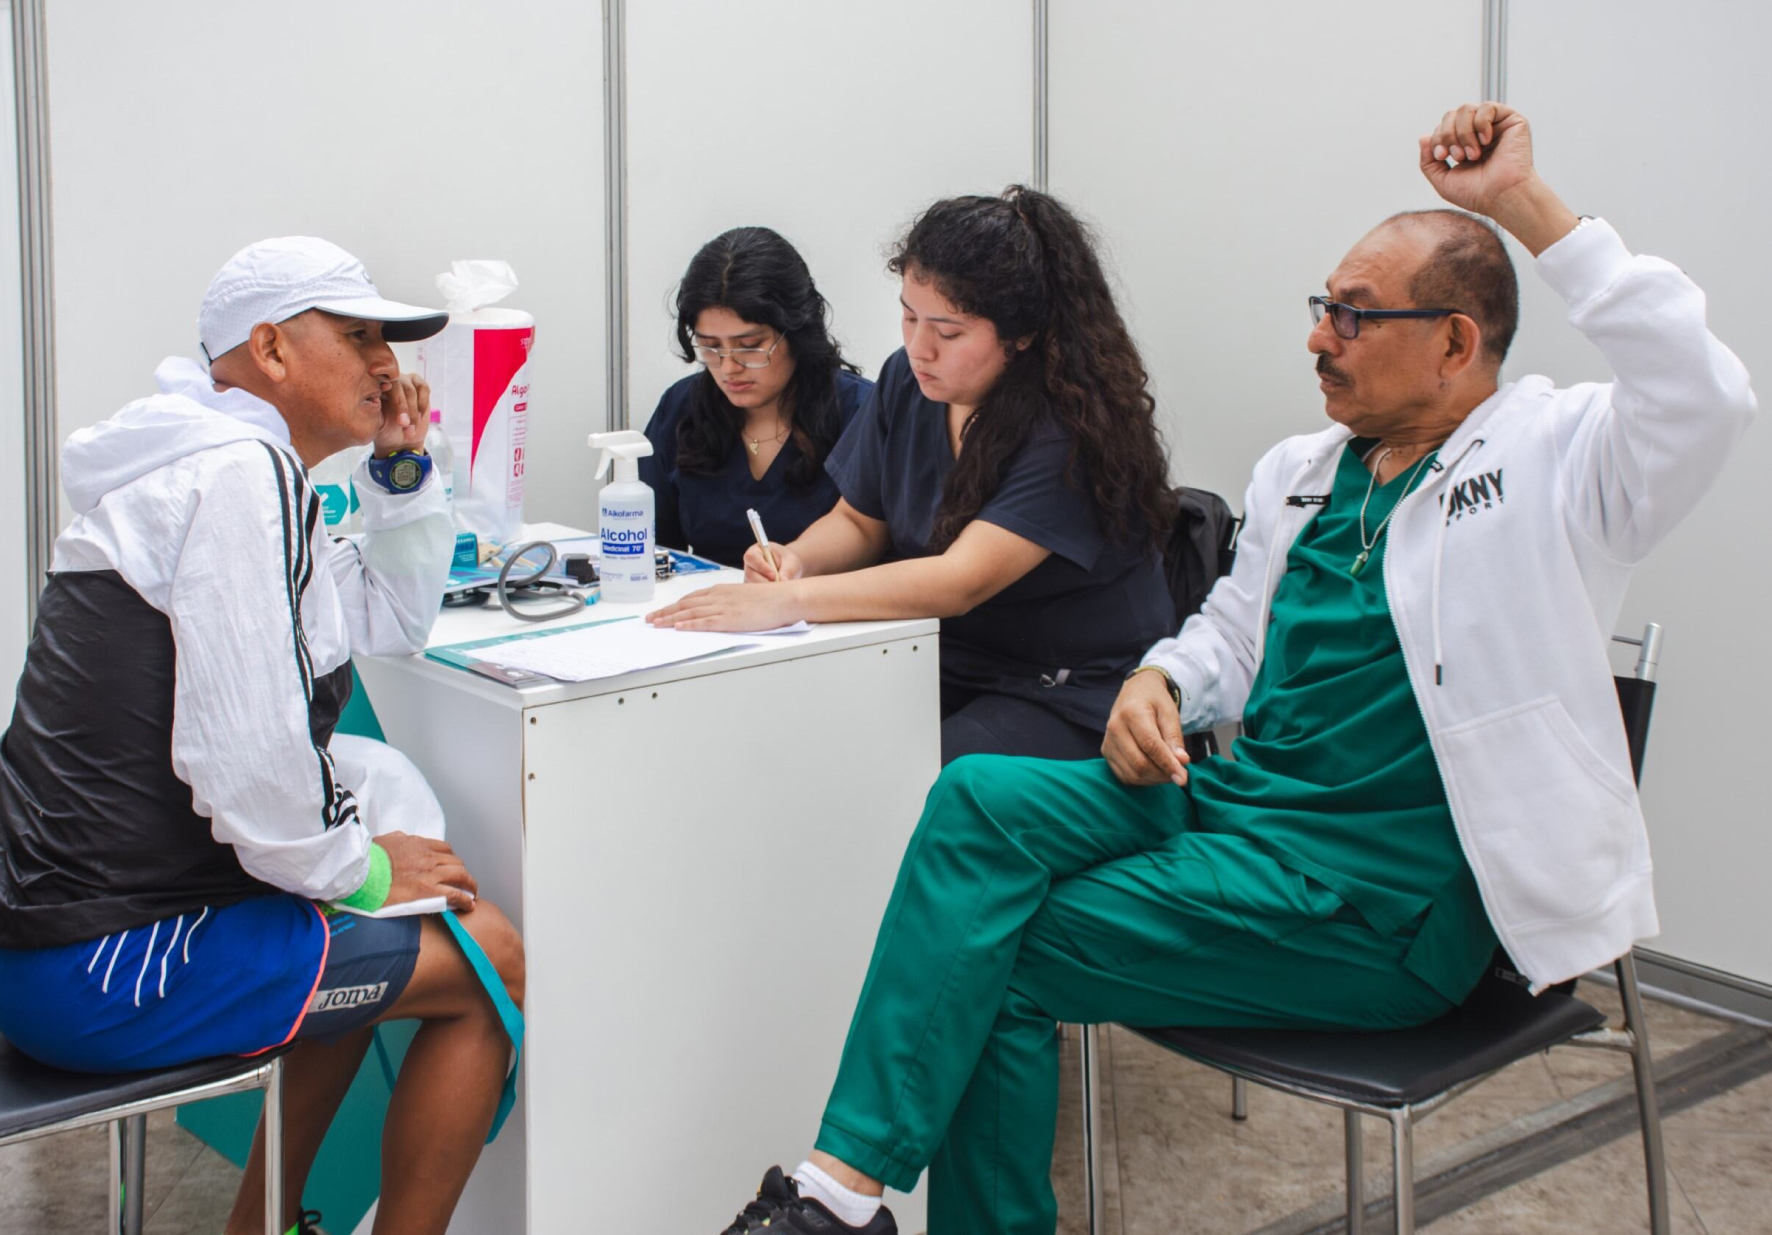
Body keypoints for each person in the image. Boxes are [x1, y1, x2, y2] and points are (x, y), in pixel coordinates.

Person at [713, 102, 1754, 1235]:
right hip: (1233, 820)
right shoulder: (1302, 472)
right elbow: (1227, 633)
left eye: (1353, 318)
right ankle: (842, 1192)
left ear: (1456, 342)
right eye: (1322, 309)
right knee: (974, 802)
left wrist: (1520, 205)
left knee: (988, 946)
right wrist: (1160, 681)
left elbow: (1699, 389)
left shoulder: (1560, 463)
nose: (1317, 339)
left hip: (1385, 898)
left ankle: (837, 1193)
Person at [0, 237, 526, 1235]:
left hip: (69, 947)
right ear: (272, 350)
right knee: (486, 958)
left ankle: (262, 1225)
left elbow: (378, 618)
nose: (387, 363)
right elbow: (243, 761)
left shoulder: (228, 467)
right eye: (360, 333)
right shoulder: (236, 477)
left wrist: (404, 471)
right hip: (104, 967)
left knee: (345, 935)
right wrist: (365, 868)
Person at [649, 188, 1179, 764]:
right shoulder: (907, 382)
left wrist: (790, 601)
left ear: (1021, 334)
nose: (918, 348)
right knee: (791, 742)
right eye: (908, 316)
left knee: (917, 778)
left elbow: (959, 580)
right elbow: (858, 520)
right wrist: (796, 558)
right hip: (943, 661)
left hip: (1067, 687)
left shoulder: (1065, 426)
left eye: (948, 332)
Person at [641, 227, 871, 568]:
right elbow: (654, 553)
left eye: (750, 347)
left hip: (838, 616)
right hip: (712, 613)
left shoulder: (862, 413)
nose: (729, 367)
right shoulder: (681, 408)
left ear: (797, 332)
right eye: (711, 346)